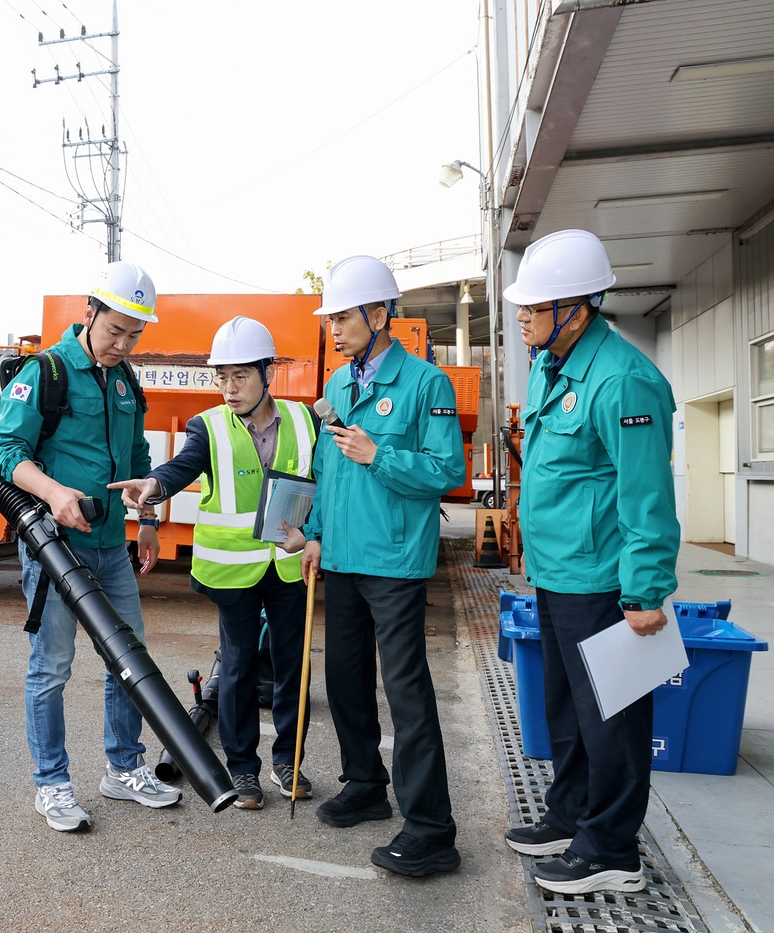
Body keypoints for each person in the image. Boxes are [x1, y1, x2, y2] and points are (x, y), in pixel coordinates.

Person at [501, 229, 679, 895]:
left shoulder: (623, 380)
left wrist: (646, 592)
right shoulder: (556, 366)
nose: (522, 316)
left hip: (607, 583)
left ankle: (612, 850)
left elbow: (647, 499)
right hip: (558, 575)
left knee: (615, 721)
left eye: (533, 306)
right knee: (569, 711)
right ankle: (572, 813)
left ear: (576, 307)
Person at [0, 260, 181, 832]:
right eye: (115, 330)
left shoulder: (127, 381)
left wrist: (147, 518)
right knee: (53, 666)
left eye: (134, 334)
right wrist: (53, 492)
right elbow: (4, 455)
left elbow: (138, 458)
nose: (122, 344)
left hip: (110, 545)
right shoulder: (43, 371)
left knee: (130, 661)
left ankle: (123, 769)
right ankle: (52, 783)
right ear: (89, 312)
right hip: (54, 548)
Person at [111, 316, 319, 810]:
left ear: (267, 372)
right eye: (220, 376)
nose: (229, 388)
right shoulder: (207, 427)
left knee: (295, 668)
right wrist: (153, 487)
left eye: (240, 376)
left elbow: (327, 484)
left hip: (290, 566)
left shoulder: (305, 420)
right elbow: (179, 468)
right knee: (240, 668)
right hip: (233, 572)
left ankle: (288, 761)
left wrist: (318, 537)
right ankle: (244, 771)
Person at [300, 255, 465, 878]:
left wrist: (380, 454)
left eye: (342, 317)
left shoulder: (427, 384)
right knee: (343, 680)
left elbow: (447, 473)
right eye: (331, 319)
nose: (333, 330)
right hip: (340, 558)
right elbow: (325, 472)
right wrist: (314, 534)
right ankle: (365, 784)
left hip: (395, 562)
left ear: (377, 314)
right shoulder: (339, 387)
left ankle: (430, 828)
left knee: (405, 690)